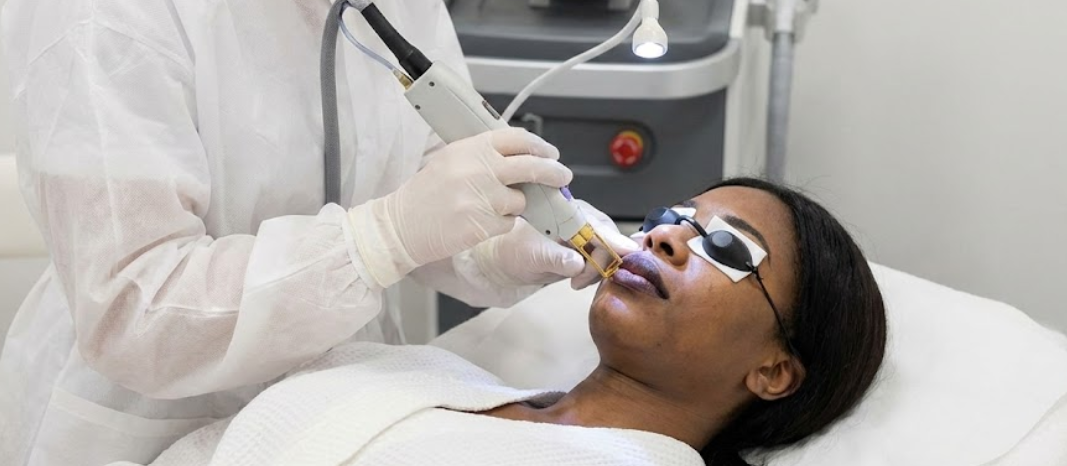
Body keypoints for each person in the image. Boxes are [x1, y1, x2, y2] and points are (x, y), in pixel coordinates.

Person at [0, 0, 638, 464]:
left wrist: (507, 236)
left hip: (329, 417)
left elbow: (423, 170)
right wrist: (376, 241)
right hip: (148, 431)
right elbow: (134, 312)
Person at [132, 177, 889, 466]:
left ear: (773, 370)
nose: (664, 236)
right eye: (672, 215)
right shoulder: (429, 373)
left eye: (724, 248)